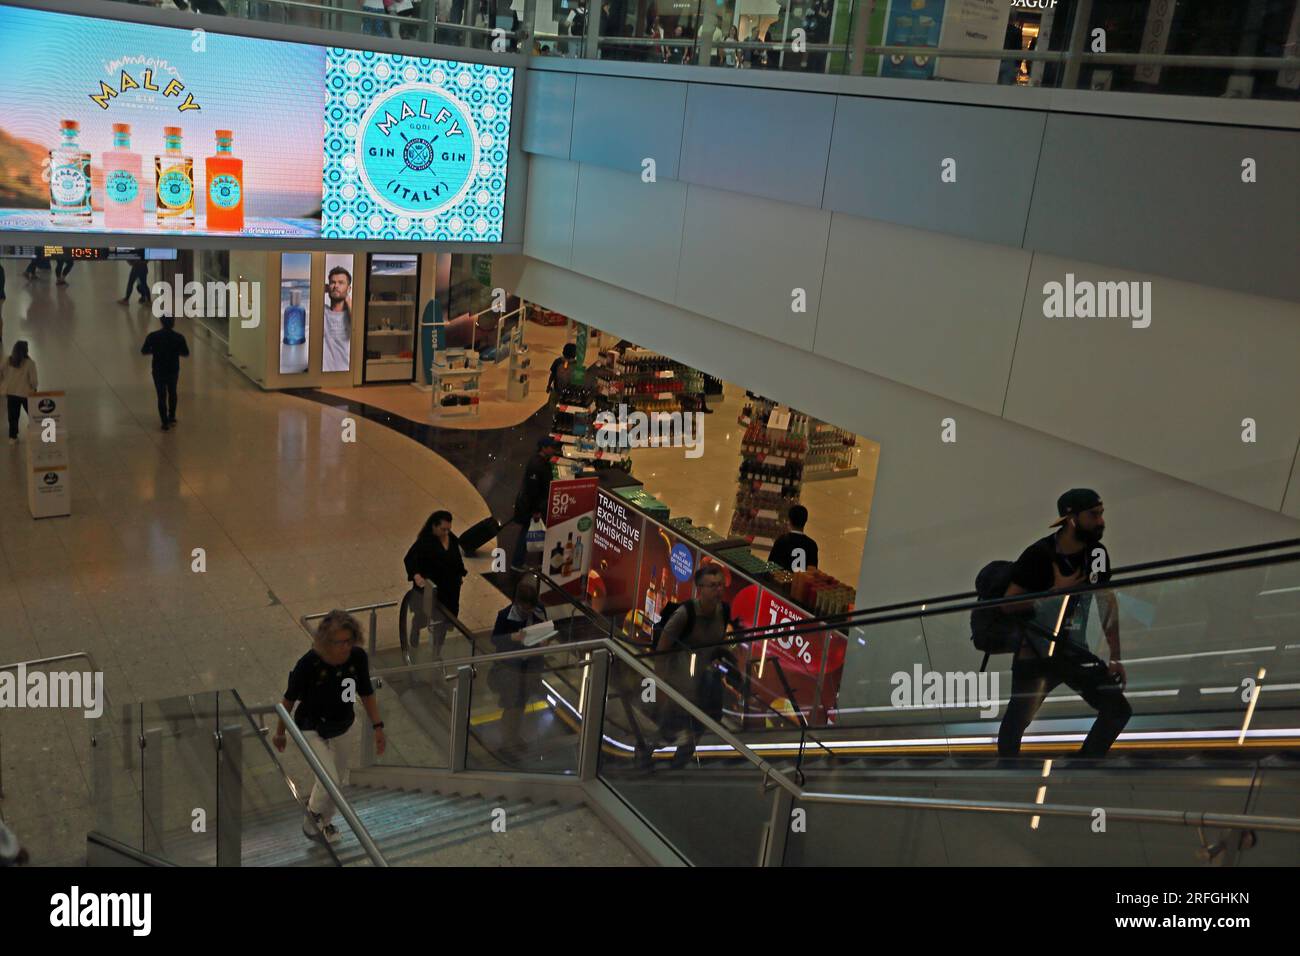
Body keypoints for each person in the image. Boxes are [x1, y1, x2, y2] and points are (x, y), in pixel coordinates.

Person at [997, 488, 1131, 761]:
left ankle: (1083, 768)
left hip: (1072, 651)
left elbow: (1106, 601)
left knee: (1117, 710)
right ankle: (1007, 776)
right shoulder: (1038, 554)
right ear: (1071, 518)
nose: (1101, 521)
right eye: (1094, 514)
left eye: (1101, 513)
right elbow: (1007, 604)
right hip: (1036, 653)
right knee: (1017, 723)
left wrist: (1115, 655)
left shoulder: (1096, 554)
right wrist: (1052, 594)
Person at [274, 610, 386, 846]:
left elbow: (366, 692)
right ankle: (312, 815)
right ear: (326, 642)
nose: (345, 648)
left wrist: (378, 726)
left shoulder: (357, 658)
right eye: (338, 643)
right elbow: (288, 700)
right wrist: (280, 732)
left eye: (348, 641)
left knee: (338, 781)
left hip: (342, 725)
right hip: (311, 727)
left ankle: (324, 822)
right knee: (330, 780)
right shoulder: (309, 664)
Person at [653, 563, 735, 768]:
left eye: (720, 585)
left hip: (702, 682)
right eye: (712, 586)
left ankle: (678, 765)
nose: (718, 590)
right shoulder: (685, 613)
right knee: (669, 729)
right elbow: (663, 647)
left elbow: (718, 644)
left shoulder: (723, 611)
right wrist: (660, 682)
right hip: (679, 682)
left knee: (697, 726)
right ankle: (646, 753)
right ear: (700, 588)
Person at [489, 578, 550, 755]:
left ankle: (514, 737)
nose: (527, 612)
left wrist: (545, 640)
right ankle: (507, 740)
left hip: (530, 667)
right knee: (512, 704)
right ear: (517, 603)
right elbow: (494, 639)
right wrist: (512, 638)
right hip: (510, 668)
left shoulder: (539, 611)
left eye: (530, 609)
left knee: (520, 703)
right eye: (524, 609)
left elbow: (545, 631)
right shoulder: (505, 616)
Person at [404, 509, 468, 619]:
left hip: (450, 588)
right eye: (443, 529)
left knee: (446, 618)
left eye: (448, 529)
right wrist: (417, 575)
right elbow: (410, 559)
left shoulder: (451, 539)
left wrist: (459, 573)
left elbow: (456, 558)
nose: (446, 533)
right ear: (434, 526)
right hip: (432, 587)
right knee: (423, 616)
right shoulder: (425, 542)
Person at [509, 435, 559, 569]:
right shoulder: (537, 466)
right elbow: (533, 491)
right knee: (526, 532)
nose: (553, 450)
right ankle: (517, 562)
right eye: (551, 447)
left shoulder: (541, 462)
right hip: (530, 507)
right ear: (543, 448)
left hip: (532, 505)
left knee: (526, 532)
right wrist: (535, 511)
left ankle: (519, 561)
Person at [140, 312, 190, 431]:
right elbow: (186, 353)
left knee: (161, 395)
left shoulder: (153, 336)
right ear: (173, 323)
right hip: (173, 369)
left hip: (158, 369)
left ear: (161, 322)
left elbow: (144, 351)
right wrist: (175, 352)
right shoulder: (179, 337)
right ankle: (172, 416)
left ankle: (164, 422)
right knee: (172, 392)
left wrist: (155, 351)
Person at [2, 341, 37, 446]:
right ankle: (35, 430)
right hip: (26, 394)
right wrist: (34, 388)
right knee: (33, 413)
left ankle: (12, 437)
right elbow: (34, 381)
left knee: (13, 416)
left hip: (11, 393)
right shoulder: (29, 363)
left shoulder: (7, 360)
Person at [769, 504, 819, 571]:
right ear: (805, 520)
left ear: (789, 520)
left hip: (781, 581)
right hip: (802, 581)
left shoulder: (781, 541)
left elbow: (770, 567)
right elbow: (813, 572)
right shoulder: (812, 545)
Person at [321, 265, 352, 373]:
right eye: (333, 282)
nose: (336, 286)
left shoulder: (352, 314)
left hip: (346, 374)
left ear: (349, 288)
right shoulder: (322, 311)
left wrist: (348, 299)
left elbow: (358, 329)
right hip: (323, 374)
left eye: (341, 283)